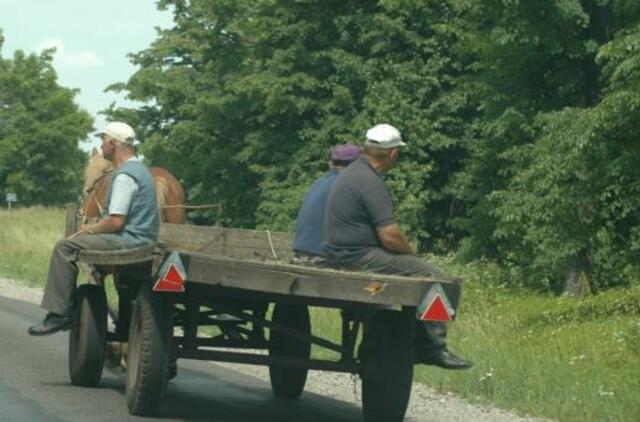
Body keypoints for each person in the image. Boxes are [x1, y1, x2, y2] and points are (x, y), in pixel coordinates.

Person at [324, 123, 472, 370]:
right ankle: (433, 348)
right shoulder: (371, 182)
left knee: (418, 273)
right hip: (358, 255)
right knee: (433, 276)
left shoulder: (353, 173)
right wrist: (411, 254)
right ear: (393, 154)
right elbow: (390, 236)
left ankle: (412, 339)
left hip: (340, 252)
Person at [28, 121, 159, 336]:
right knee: (70, 244)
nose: (101, 145)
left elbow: (115, 222)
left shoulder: (125, 176)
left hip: (129, 241)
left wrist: (89, 230)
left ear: (112, 144)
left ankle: (60, 314)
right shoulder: (140, 170)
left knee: (65, 247)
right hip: (142, 238)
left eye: (102, 140)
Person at [292, 144, 360, 265]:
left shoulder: (319, 182)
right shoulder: (345, 185)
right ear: (355, 165)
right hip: (322, 256)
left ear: (331, 163)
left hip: (301, 253)